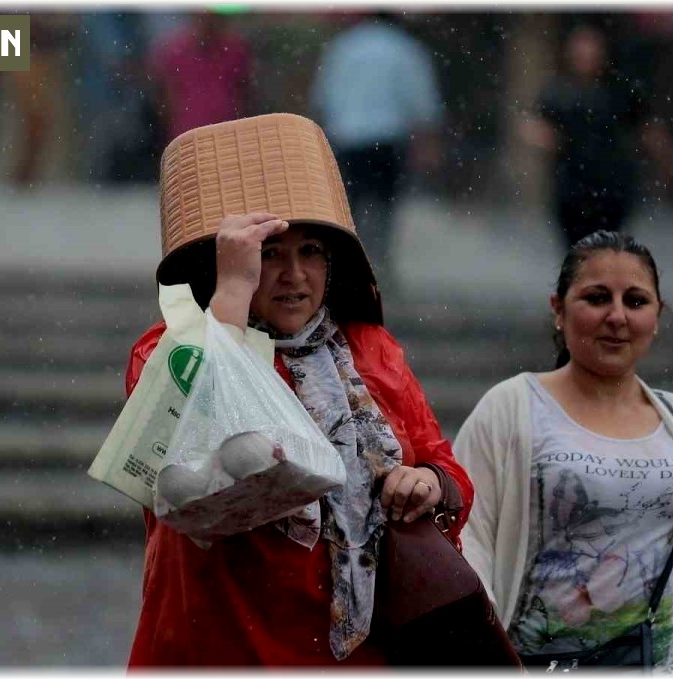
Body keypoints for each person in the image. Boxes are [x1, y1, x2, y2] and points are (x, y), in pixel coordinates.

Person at [123, 114, 474, 666]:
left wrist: (426, 482)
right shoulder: (165, 350)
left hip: (354, 651)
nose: (294, 275)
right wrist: (234, 289)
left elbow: (445, 467)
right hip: (221, 640)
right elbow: (188, 440)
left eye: (311, 252)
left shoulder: (369, 350)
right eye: (269, 254)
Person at [454, 230, 673, 670]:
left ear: (658, 316)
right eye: (597, 298)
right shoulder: (510, 409)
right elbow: (468, 549)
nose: (617, 316)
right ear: (558, 310)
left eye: (636, 301)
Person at [309, 12, 444, 288]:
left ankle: (346, 266)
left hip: (347, 137)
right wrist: (427, 142)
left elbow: (323, 96)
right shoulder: (405, 47)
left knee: (349, 206)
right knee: (384, 205)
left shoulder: (344, 46)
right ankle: (380, 266)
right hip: (387, 138)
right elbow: (422, 100)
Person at [519, 25, 639, 248]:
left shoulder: (616, 91)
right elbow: (532, 124)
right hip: (571, 187)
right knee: (576, 253)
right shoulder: (558, 92)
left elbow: (643, 125)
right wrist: (542, 136)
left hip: (610, 188)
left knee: (604, 251)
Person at [147, 11, 254, 143]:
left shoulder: (235, 49)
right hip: (187, 138)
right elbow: (166, 98)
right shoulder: (174, 52)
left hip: (227, 136)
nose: (207, 22)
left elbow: (243, 94)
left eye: (212, 17)